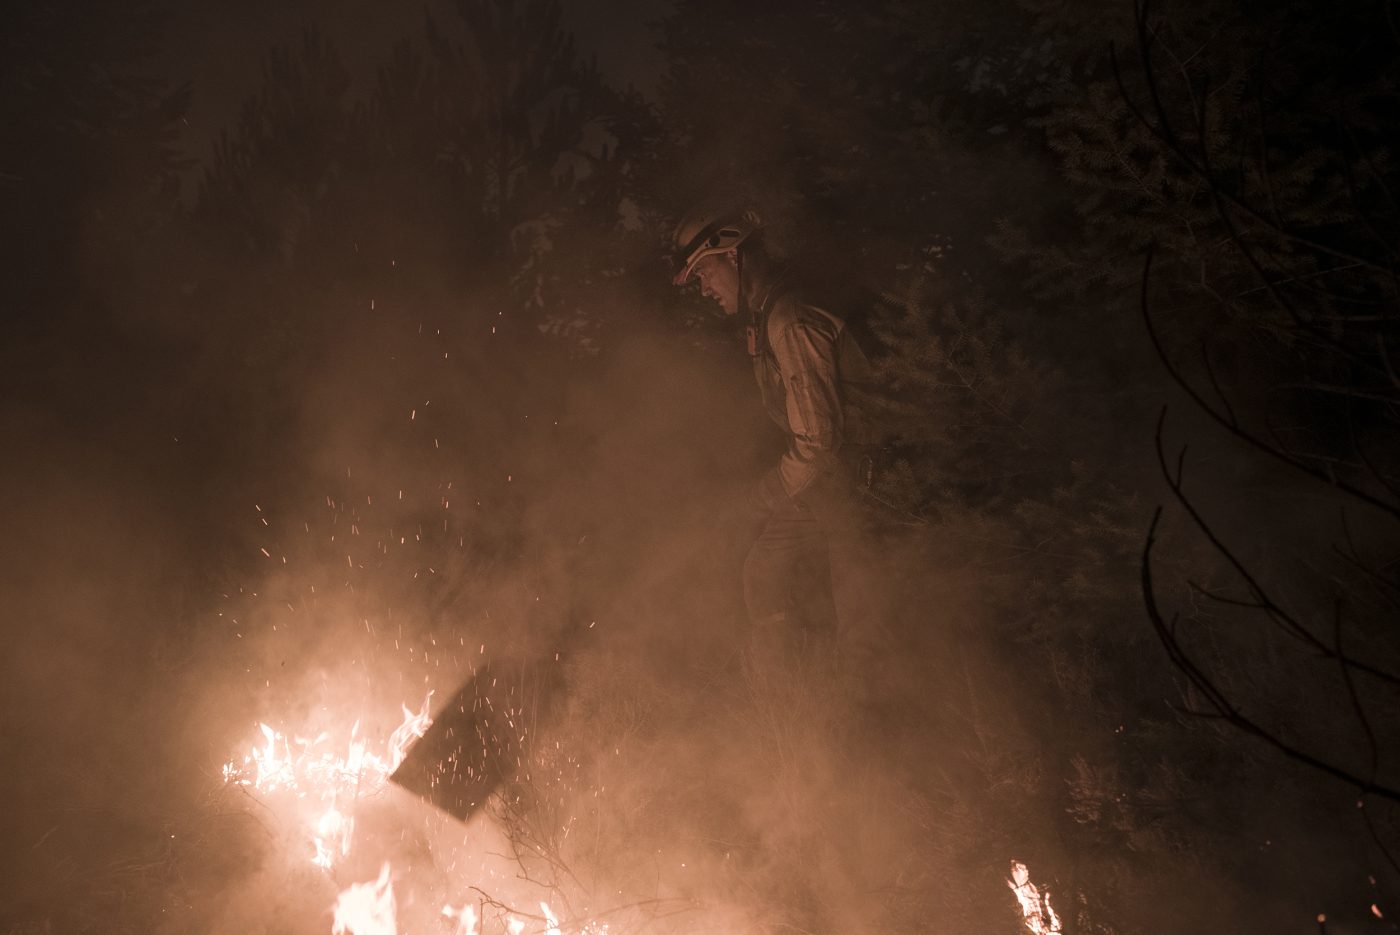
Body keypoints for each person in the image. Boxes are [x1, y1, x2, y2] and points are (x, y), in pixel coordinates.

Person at [671, 200, 875, 644]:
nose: (703, 288)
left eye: (704, 273)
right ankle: (787, 700)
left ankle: (862, 698)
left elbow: (818, 442)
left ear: (733, 255)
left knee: (864, 618)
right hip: (828, 482)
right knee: (764, 573)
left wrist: (760, 498)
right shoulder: (766, 315)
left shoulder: (790, 318)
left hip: (865, 484)